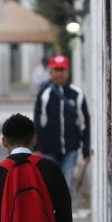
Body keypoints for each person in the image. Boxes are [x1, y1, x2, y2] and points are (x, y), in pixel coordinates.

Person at [34, 54, 90, 190]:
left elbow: (84, 122)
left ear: (68, 71)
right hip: (48, 150)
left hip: (70, 149)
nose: (59, 73)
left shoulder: (77, 94)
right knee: (49, 186)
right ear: (51, 72)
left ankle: (66, 205)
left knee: (67, 184)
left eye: (62, 70)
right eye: (56, 70)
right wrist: (37, 148)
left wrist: (86, 149)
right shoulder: (44, 94)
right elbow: (38, 123)